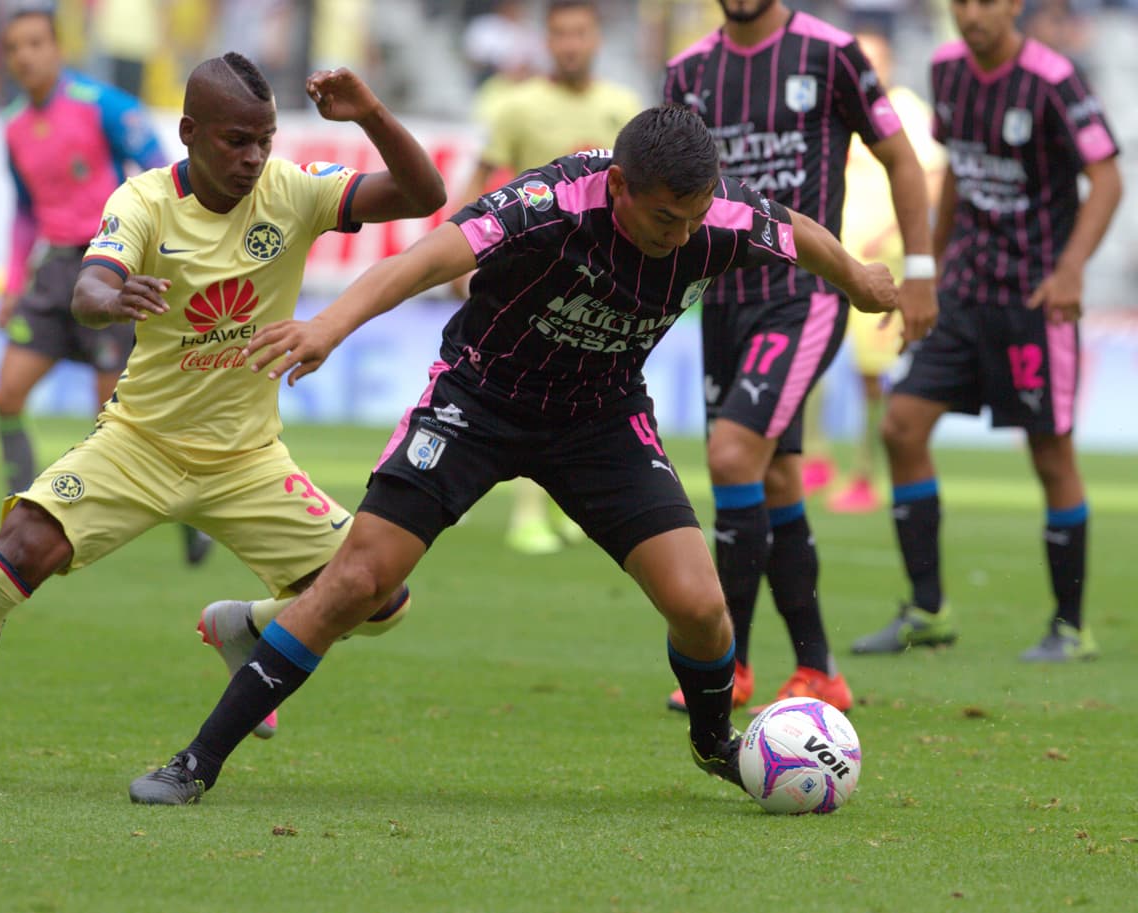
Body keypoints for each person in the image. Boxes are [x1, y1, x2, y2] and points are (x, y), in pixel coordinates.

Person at [126, 104, 899, 806]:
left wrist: (860, 280)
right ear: (622, 186)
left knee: (701, 608)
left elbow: (797, 230)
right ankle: (197, 761)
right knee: (360, 578)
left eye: (694, 218)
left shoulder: (714, 219)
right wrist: (329, 326)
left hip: (600, 417)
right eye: (666, 219)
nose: (683, 236)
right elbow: (425, 259)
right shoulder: (548, 202)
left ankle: (712, 746)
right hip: (480, 400)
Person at [0, 53, 446, 790]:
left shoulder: (292, 191)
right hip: (139, 446)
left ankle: (250, 624)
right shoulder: (141, 201)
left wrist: (368, 115)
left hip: (248, 460)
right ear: (190, 132)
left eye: (263, 139)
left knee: (382, 599)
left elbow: (424, 194)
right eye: (236, 140)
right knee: (10, 556)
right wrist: (111, 297)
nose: (254, 156)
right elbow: (91, 283)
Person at [662, 0, 937, 715]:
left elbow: (902, 160)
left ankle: (729, 661)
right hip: (720, 301)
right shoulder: (688, 72)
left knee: (729, 456)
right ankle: (817, 669)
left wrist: (922, 272)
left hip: (803, 295)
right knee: (775, 477)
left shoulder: (832, 53)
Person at [851, 0, 1121, 661]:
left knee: (1050, 454)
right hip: (964, 292)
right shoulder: (947, 70)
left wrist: (1070, 272)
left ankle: (1068, 625)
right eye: (961, 2)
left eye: (985, 1)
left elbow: (1107, 178)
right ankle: (928, 608)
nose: (971, 13)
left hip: (1032, 300)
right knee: (901, 428)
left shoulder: (1053, 78)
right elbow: (959, 187)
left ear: (1013, 6)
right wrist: (925, 275)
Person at [0, 9, 216, 565]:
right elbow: (25, 213)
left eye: (35, 43)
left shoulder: (104, 106)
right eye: (15, 47)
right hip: (52, 274)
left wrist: (164, 250)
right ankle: (16, 524)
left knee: (114, 422)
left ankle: (189, 517)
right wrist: (11, 283)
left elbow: (162, 174)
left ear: (57, 47)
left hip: (108, 267)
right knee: (6, 396)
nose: (25, 56)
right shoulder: (15, 126)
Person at [456, 0, 643, 556]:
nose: (569, 45)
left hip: (605, 274)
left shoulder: (624, 107)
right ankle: (526, 513)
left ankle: (561, 505)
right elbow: (484, 177)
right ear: (546, 39)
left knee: (586, 382)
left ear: (596, 39)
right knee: (527, 378)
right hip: (532, 264)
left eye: (579, 34)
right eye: (559, 34)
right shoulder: (518, 106)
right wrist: (461, 246)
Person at [827, 27, 946, 514]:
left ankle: (864, 472)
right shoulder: (835, 110)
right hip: (833, 258)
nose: (867, 70)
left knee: (874, 379)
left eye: (874, 59)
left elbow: (933, 178)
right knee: (816, 367)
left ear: (890, 63)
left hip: (882, 267)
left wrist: (894, 233)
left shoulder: (907, 112)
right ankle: (812, 460)